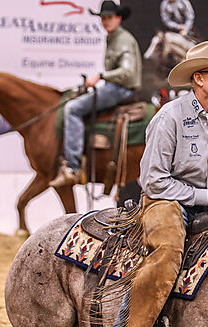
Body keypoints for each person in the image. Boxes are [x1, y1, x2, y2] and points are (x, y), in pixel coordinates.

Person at [102, 41, 208, 327]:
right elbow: (153, 181)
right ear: (199, 78)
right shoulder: (170, 117)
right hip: (165, 202)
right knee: (168, 253)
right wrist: (206, 198)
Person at [50, 0, 142, 188]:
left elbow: (127, 72)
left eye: (109, 17)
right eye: (103, 18)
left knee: (73, 109)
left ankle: (73, 167)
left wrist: (101, 76)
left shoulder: (123, 39)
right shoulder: (114, 37)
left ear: (118, 18)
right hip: (116, 87)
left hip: (120, 89)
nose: (106, 21)